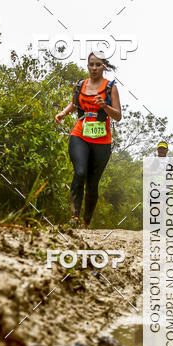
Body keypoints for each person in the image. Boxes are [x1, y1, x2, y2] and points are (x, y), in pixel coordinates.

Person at [54, 52, 122, 227]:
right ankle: (74, 217)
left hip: (102, 141)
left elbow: (118, 116)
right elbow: (75, 103)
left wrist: (104, 106)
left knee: (92, 183)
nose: (94, 68)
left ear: (104, 67)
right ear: (87, 65)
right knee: (80, 173)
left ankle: (86, 221)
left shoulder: (110, 87)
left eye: (98, 65)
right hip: (80, 135)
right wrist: (63, 112)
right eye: (91, 64)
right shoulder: (80, 84)